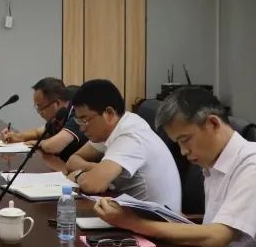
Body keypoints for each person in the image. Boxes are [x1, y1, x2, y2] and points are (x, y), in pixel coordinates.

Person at [95, 86, 256, 247]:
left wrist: (133, 223)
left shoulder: (254, 163)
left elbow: (217, 237)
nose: (183, 151)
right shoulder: (213, 160)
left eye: (185, 140)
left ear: (213, 123)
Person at [64, 79, 182, 211]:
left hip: (155, 220)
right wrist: (96, 169)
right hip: (129, 212)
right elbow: (72, 161)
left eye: (85, 120)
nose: (82, 128)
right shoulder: (112, 128)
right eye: (79, 121)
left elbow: (92, 185)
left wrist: (78, 175)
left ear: (109, 113)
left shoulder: (131, 135)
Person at [1, 77, 85, 169]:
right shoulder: (58, 116)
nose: (39, 112)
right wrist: (17, 137)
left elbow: (52, 146)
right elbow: (37, 133)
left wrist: (36, 143)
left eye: (40, 107)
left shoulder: (78, 113)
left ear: (57, 103)